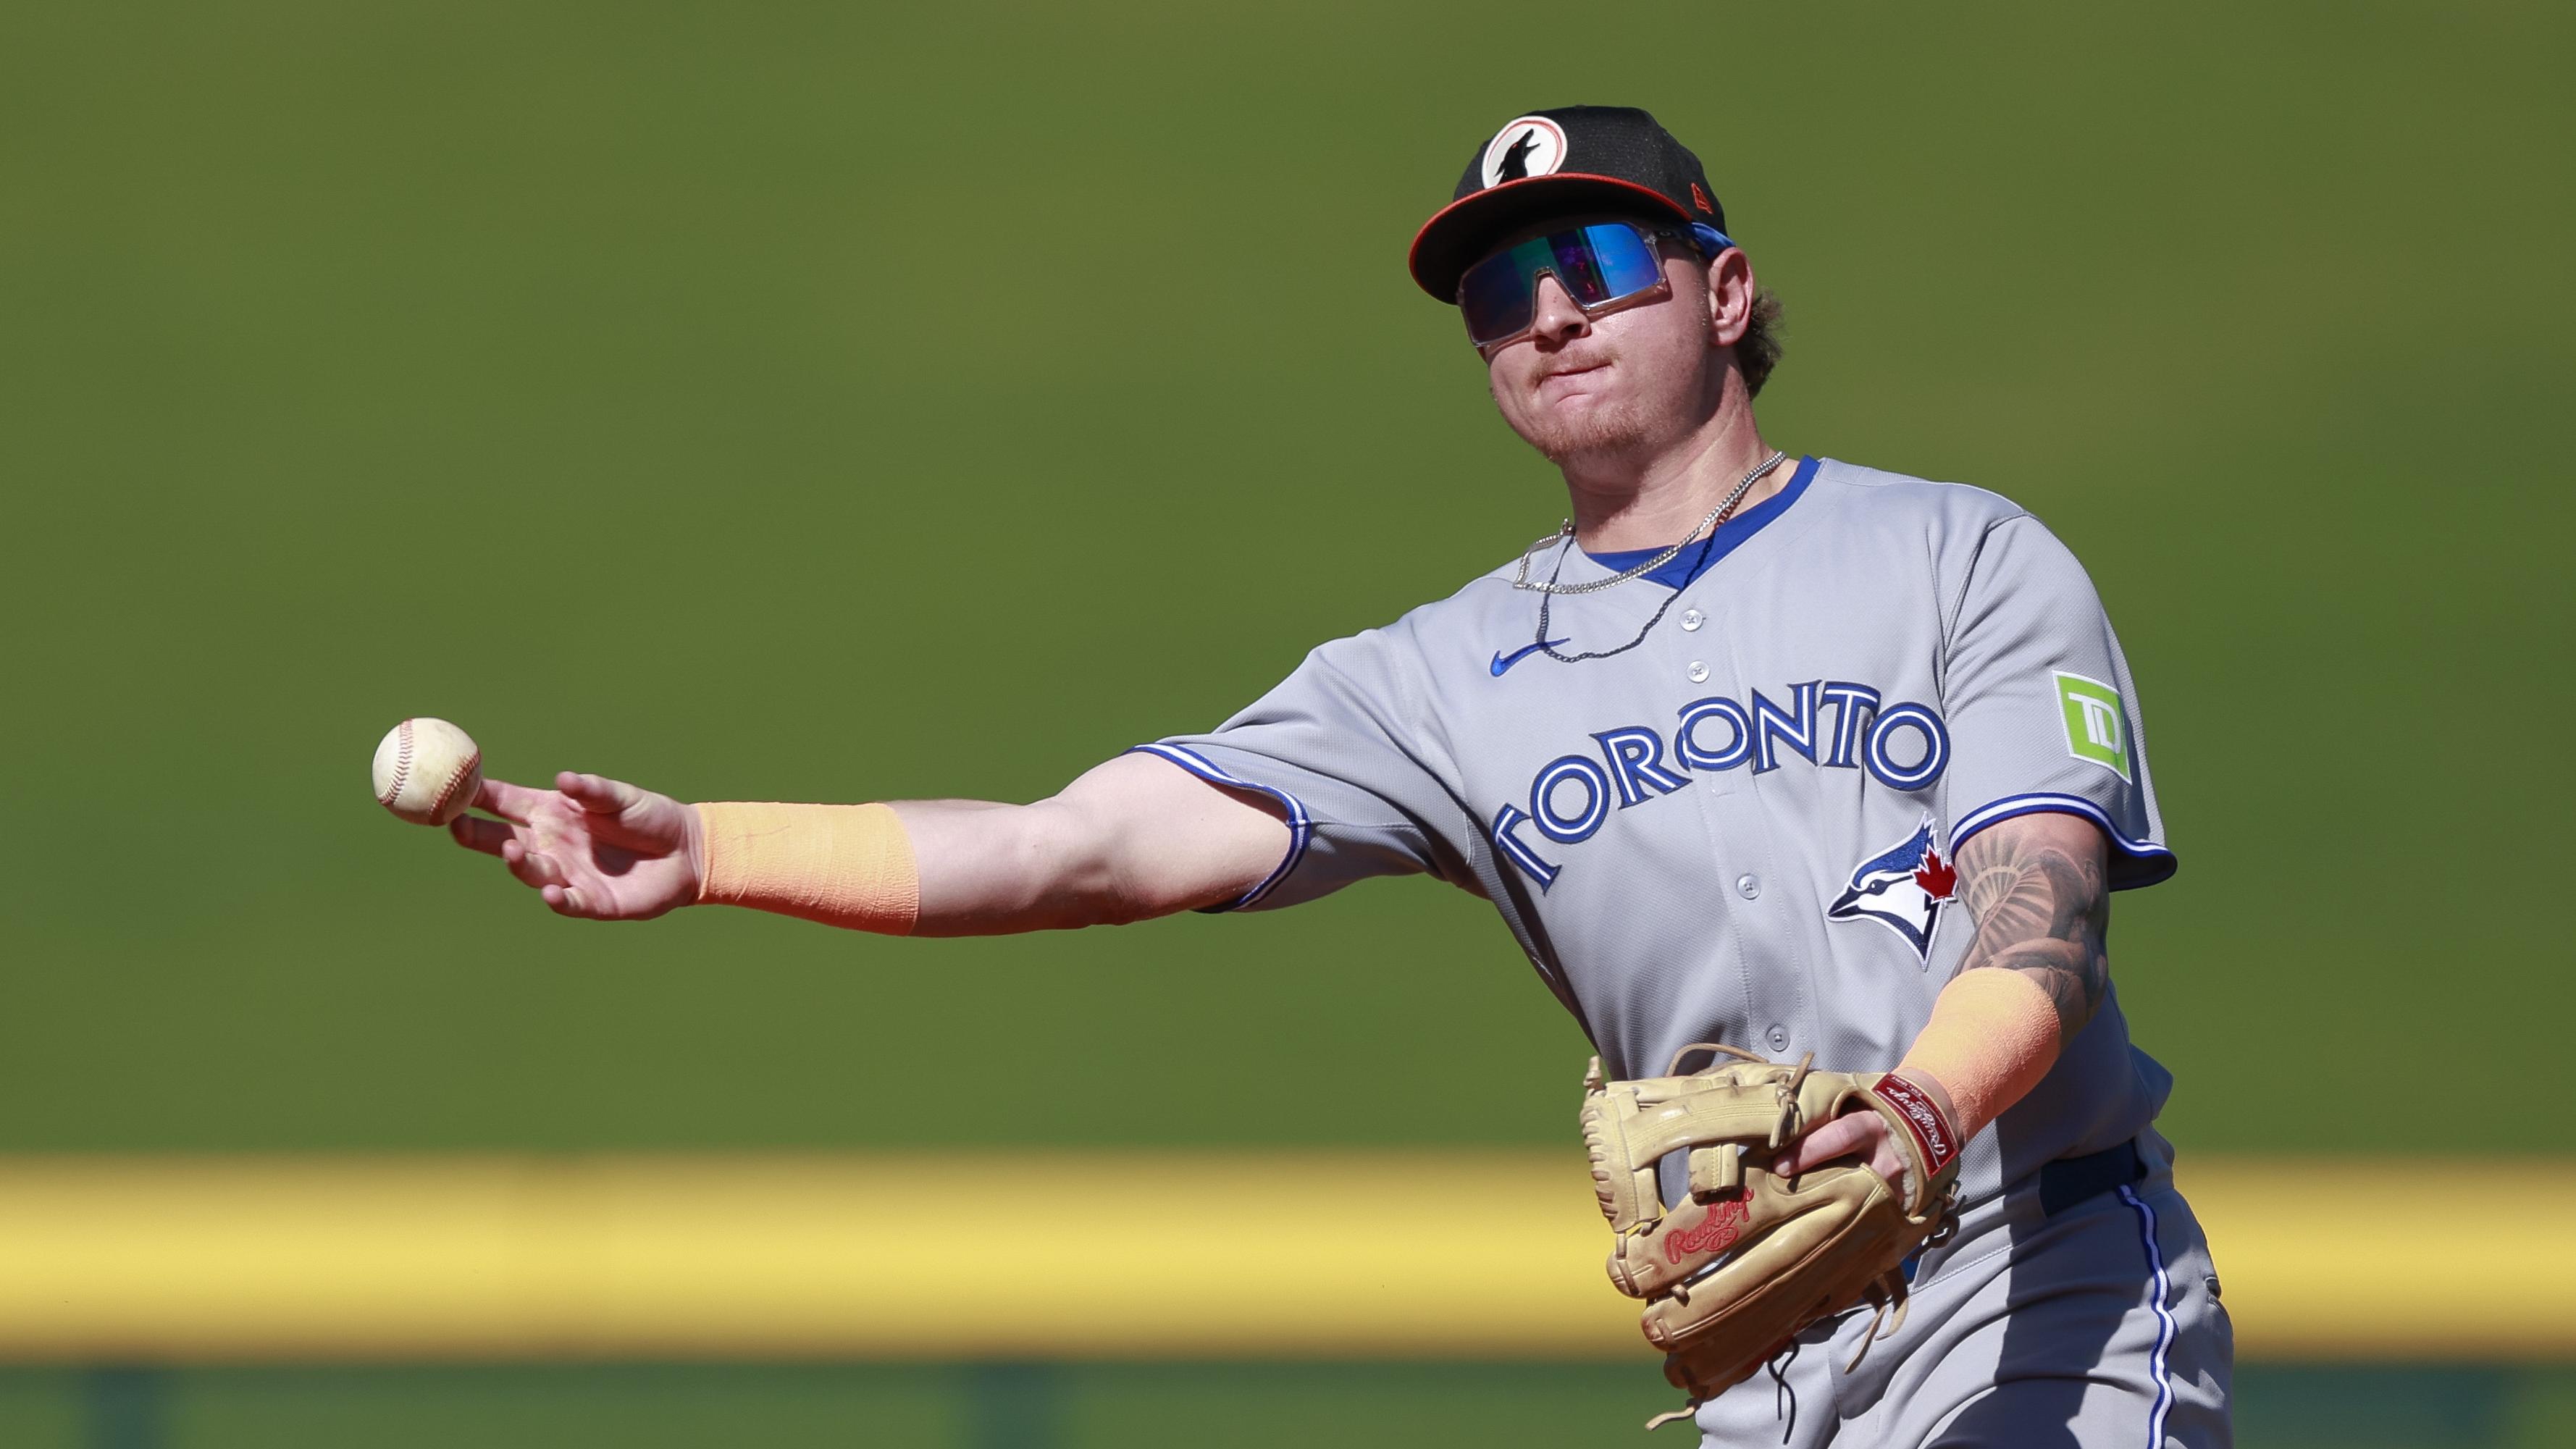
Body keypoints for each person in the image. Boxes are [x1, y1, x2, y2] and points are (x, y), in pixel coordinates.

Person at [448, 105, 2231, 1446]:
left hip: (2039, 1276)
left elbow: (2043, 920)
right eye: (1501, 294)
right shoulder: (1438, 678)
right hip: (1762, 1344)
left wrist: (1918, 1110)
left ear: (1728, 290)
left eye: (1600, 265)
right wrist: (715, 844)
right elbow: (1080, 844)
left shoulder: (1960, 559)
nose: (1549, 313)